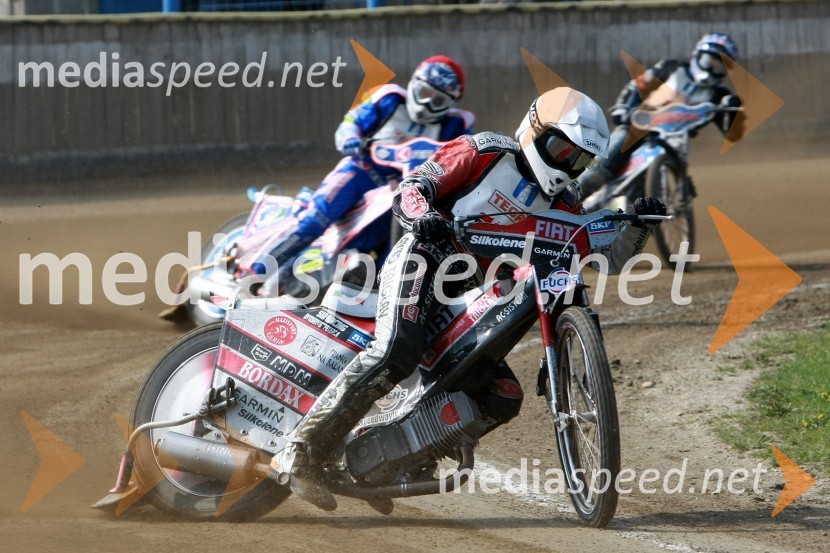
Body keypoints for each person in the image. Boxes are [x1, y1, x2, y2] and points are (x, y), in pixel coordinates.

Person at [271, 87, 667, 512]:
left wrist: (635, 227)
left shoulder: (567, 203)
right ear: (535, 130)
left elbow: (605, 260)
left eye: (580, 160)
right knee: (395, 352)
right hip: (425, 258)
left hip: (472, 294)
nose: (568, 166)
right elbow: (412, 187)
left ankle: (399, 462)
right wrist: (425, 218)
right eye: (561, 150)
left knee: (502, 395)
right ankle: (299, 450)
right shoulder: (484, 151)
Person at [246, 55, 475, 280]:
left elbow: (466, 157)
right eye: (425, 93)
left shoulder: (457, 125)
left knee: (408, 243)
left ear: (451, 103)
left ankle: (377, 292)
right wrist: (350, 138)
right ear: (414, 84)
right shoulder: (389, 98)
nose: (427, 104)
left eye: (437, 100)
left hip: (405, 191)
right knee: (315, 220)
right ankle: (254, 272)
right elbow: (351, 122)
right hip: (362, 171)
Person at [579, 33, 743, 196]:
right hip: (638, 127)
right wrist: (623, 109)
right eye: (708, 61)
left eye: (719, 66)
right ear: (697, 56)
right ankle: (576, 192)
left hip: (675, 143)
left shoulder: (719, 96)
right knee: (598, 169)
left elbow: (733, 134)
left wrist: (733, 110)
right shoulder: (671, 68)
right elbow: (638, 85)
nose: (711, 69)